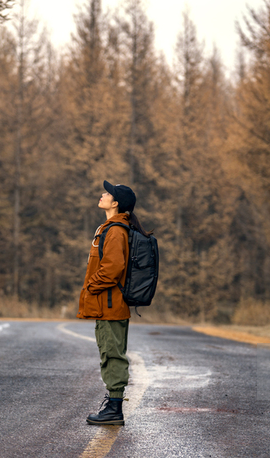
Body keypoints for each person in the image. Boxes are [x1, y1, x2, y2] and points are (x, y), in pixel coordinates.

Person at [78, 180, 151, 426]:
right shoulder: (110, 228)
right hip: (106, 305)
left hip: (111, 305)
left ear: (116, 202)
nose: (102, 194)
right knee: (109, 353)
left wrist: (90, 287)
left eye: (107, 193)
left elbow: (112, 268)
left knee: (113, 355)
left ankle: (114, 409)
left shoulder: (116, 230)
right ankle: (113, 405)